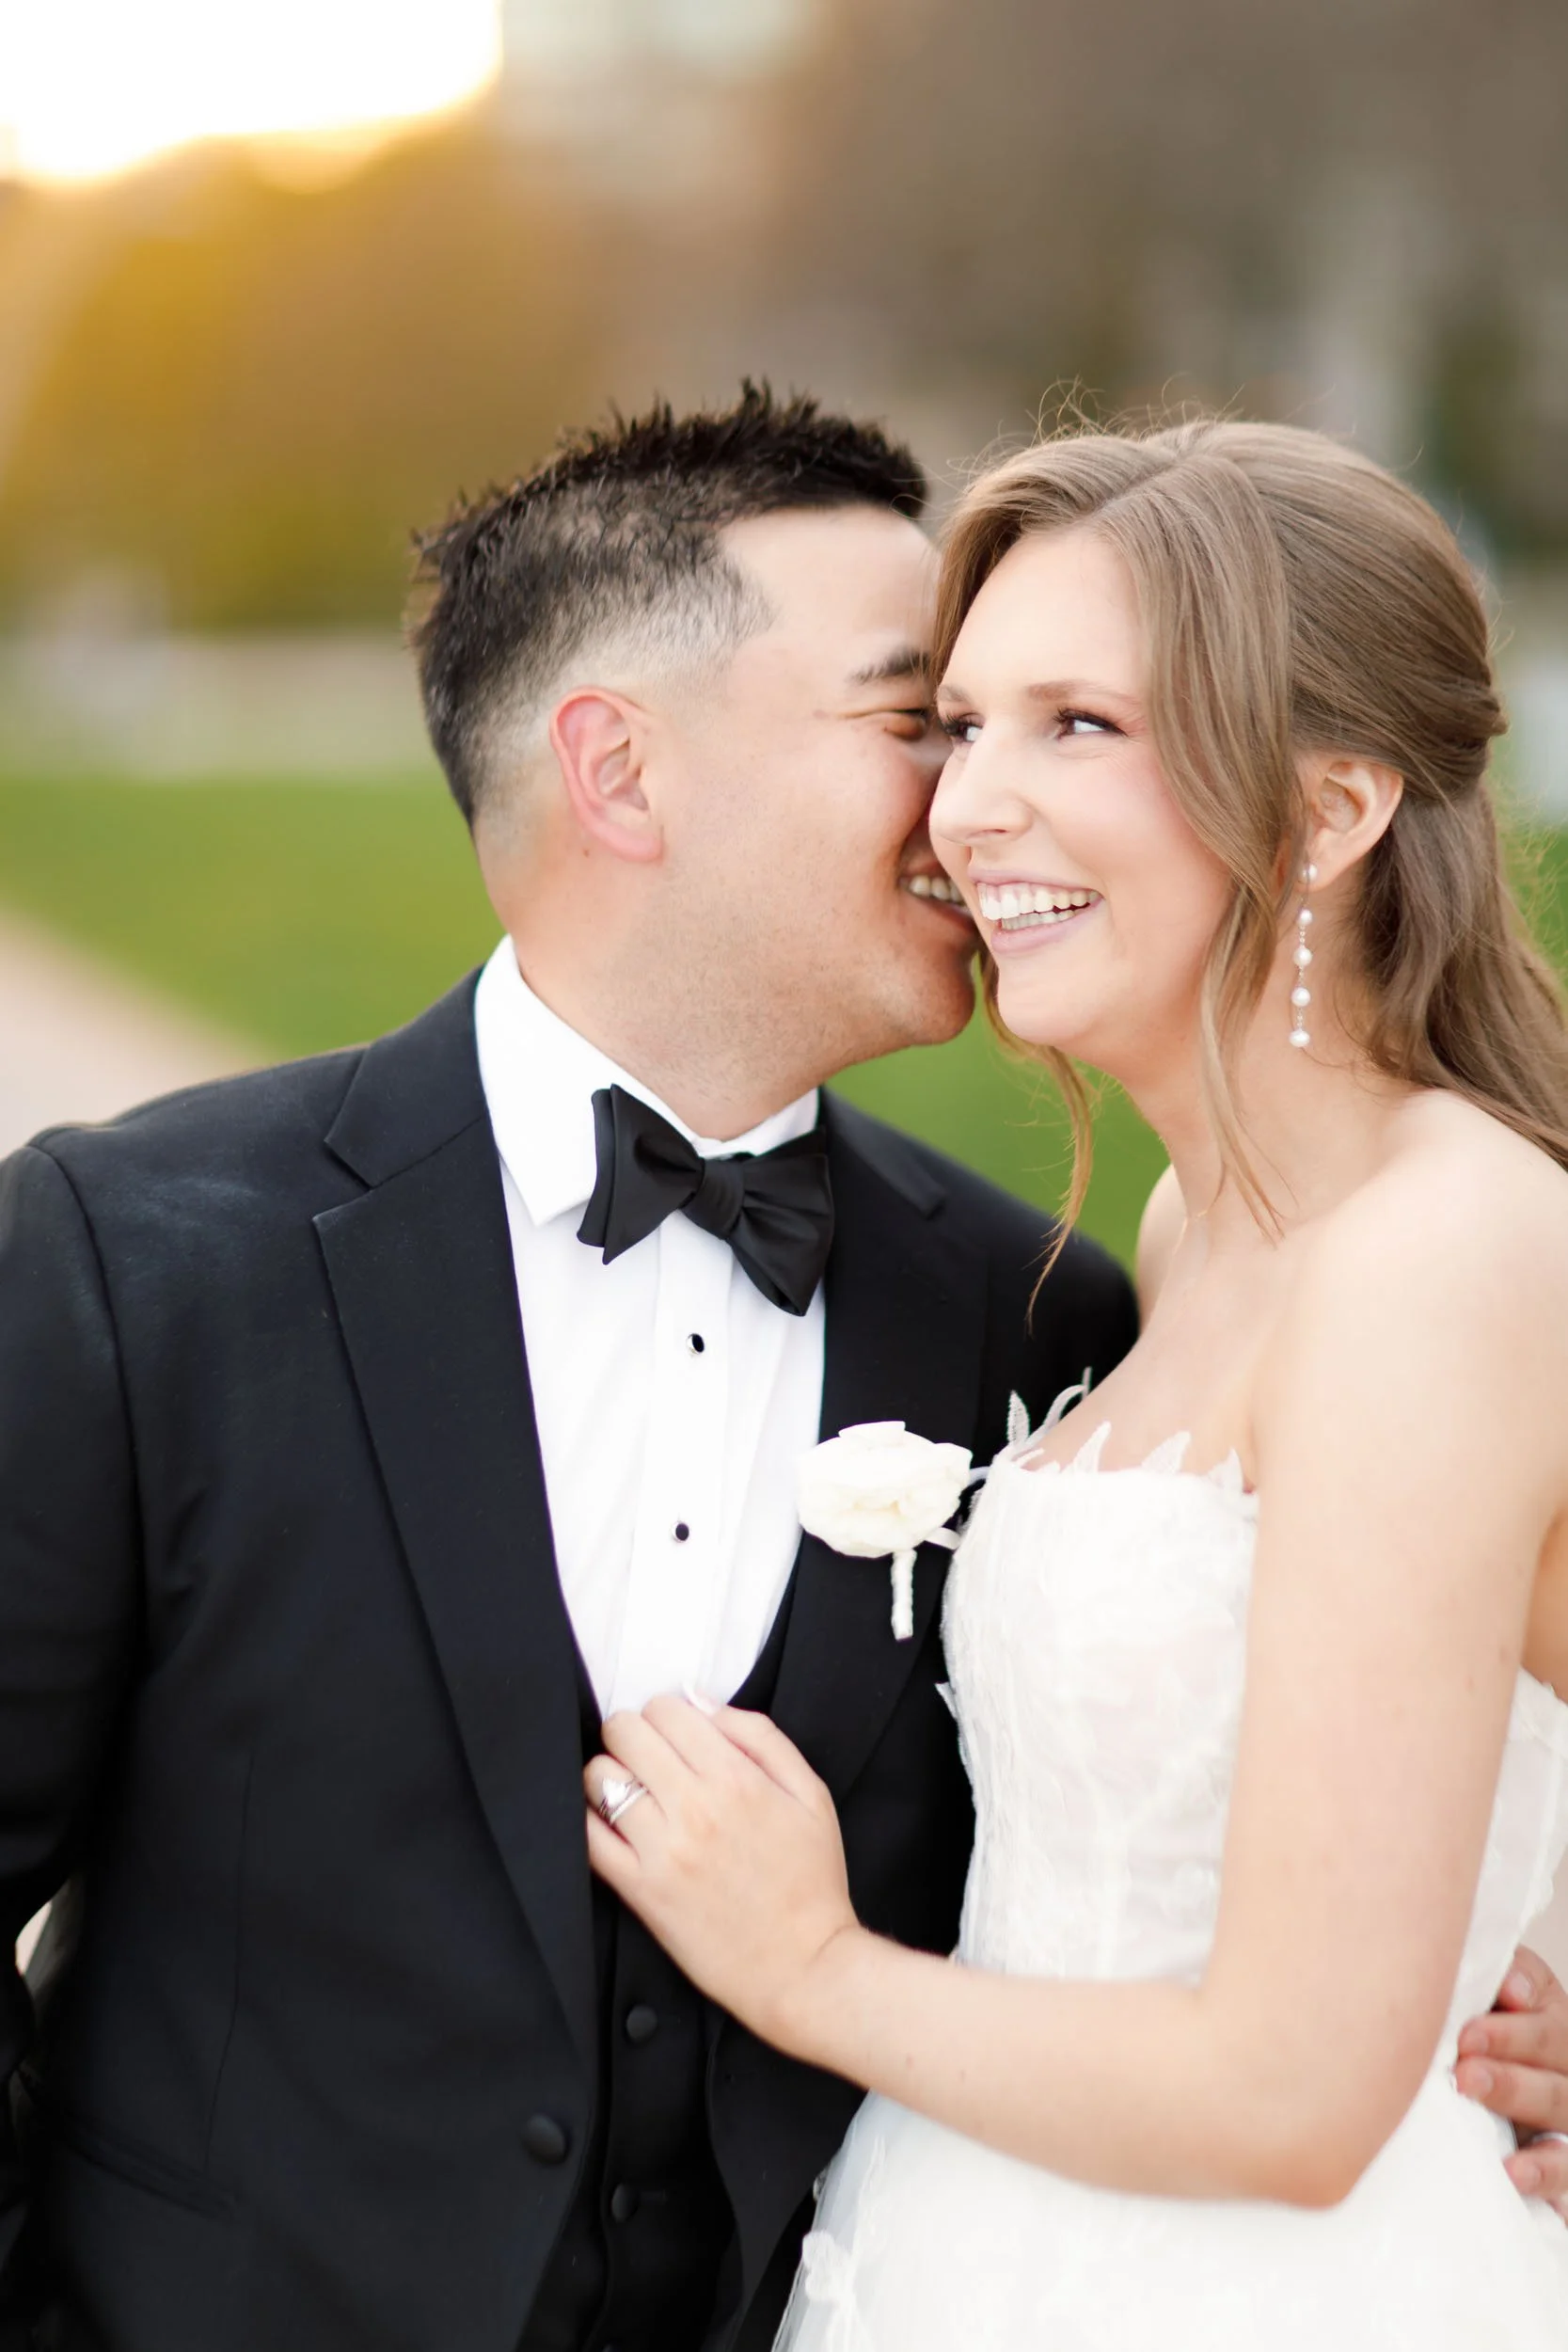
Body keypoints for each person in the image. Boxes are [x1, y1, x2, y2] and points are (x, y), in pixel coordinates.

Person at [0, 388, 1137, 2352]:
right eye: (911, 721)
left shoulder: (1036, 1314)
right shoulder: (130, 1262)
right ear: (617, 771)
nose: (972, 801)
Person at [582, 416, 1568, 2347]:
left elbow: (1287, 2096)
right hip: (968, 2251)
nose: (969, 807)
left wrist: (803, 1960)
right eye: (957, 722)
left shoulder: (1441, 1247)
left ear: (1328, 805)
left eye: (1078, 727)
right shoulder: (1206, 1230)